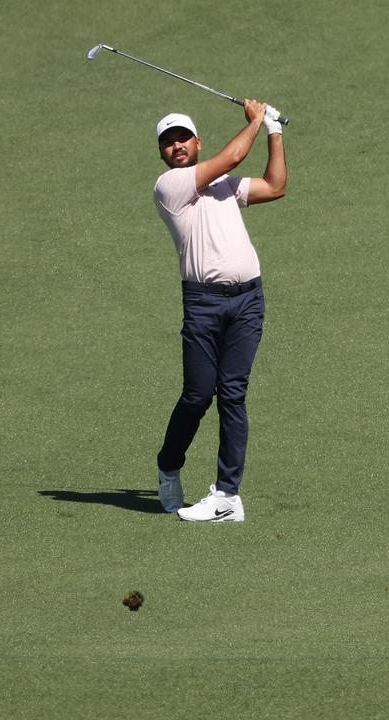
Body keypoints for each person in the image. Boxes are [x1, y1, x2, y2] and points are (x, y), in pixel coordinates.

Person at [152, 99, 287, 522]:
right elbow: (232, 155)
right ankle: (169, 466)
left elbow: (275, 185)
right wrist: (256, 120)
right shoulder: (169, 187)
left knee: (232, 394)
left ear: (196, 142)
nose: (176, 146)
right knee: (197, 395)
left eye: (183, 138)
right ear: (163, 153)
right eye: (168, 142)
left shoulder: (225, 187)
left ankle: (227, 497)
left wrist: (275, 132)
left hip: (248, 301)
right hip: (204, 304)